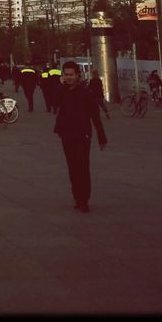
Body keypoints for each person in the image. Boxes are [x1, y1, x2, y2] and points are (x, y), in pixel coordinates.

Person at [54, 60, 107, 213]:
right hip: (66, 134)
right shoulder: (62, 91)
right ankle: (77, 196)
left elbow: (95, 116)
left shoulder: (85, 93)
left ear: (78, 75)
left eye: (71, 75)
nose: (69, 77)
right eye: (66, 75)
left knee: (82, 166)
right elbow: (54, 102)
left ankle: (84, 199)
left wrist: (101, 137)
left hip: (83, 135)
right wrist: (61, 85)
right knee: (72, 167)